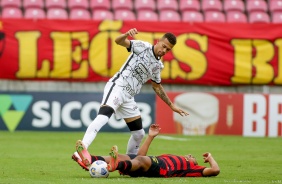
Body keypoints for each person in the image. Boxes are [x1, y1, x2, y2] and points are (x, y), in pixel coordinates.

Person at [73, 28, 189, 166]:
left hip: (128, 97)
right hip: (118, 86)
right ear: (158, 42)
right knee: (103, 116)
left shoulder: (158, 65)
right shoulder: (143, 47)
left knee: (139, 134)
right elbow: (118, 41)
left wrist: (171, 105)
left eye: (168, 50)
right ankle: (80, 152)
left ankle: (128, 165)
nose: (164, 51)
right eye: (164, 46)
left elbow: (157, 86)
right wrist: (126, 35)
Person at [73, 124, 220, 178]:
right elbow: (140, 156)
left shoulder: (193, 168)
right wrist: (150, 137)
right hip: (151, 163)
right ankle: (90, 159)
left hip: (162, 169)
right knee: (128, 156)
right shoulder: (169, 156)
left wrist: (210, 158)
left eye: (192, 157)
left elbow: (215, 171)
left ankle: (114, 165)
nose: (190, 156)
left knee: (140, 160)